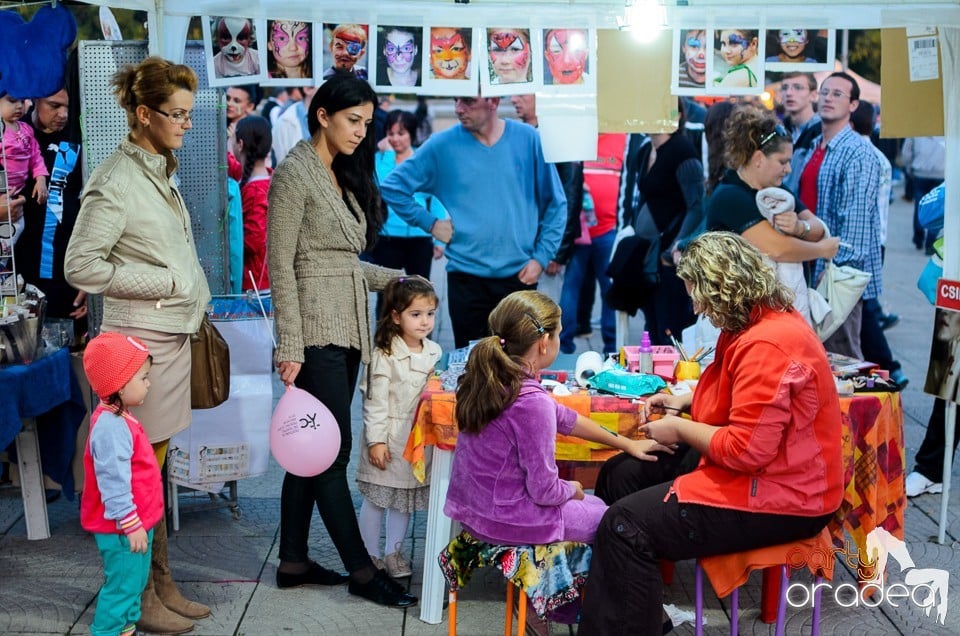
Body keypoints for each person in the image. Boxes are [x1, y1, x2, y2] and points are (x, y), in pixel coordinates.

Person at [578, 232, 844, 635]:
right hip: (766, 473)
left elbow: (746, 451)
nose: (697, 308)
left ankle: (632, 619)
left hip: (787, 495)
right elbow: (736, 405)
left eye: (697, 295)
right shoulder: (751, 321)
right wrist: (685, 406)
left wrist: (681, 427)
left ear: (722, 289)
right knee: (619, 473)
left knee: (624, 525)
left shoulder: (768, 342)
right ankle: (641, 613)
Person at [64, 57, 211, 635]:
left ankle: (161, 582)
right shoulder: (117, 178)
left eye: (189, 115)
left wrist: (189, 291)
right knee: (138, 472)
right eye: (176, 115)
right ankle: (140, 593)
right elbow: (81, 264)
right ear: (144, 114)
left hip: (168, 340)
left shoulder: (157, 166)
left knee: (155, 470)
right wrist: (169, 283)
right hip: (139, 345)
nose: (187, 124)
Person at [267, 73, 416, 608]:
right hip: (314, 334)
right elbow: (281, 265)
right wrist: (289, 344)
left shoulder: (339, 173)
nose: (362, 132)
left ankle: (292, 560)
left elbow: (344, 265)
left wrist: (398, 280)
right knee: (329, 452)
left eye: (367, 123)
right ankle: (360, 568)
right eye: (354, 121)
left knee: (310, 451)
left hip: (345, 326)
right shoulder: (295, 175)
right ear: (323, 114)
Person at [444, 290, 672, 546]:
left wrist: (628, 443)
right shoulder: (532, 402)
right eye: (559, 334)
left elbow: (567, 418)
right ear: (543, 342)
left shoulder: (491, 378)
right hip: (509, 520)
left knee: (597, 504)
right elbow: (544, 491)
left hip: (475, 511)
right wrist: (572, 489)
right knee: (617, 521)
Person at [381, 96, 566, 348]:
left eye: (467, 101)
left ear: (492, 101)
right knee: (472, 369)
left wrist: (541, 257)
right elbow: (393, 187)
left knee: (517, 366)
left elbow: (556, 203)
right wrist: (431, 223)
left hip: (519, 278)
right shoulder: (442, 145)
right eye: (456, 100)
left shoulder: (528, 139)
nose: (458, 108)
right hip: (466, 279)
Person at [707, 106, 839, 324]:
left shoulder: (778, 191)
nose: (788, 169)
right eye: (782, 161)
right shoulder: (730, 196)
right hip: (740, 316)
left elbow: (817, 227)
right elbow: (777, 249)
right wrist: (821, 250)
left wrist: (800, 228)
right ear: (758, 158)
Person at [356, 277, 441, 578]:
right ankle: (369, 554)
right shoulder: (384, 354)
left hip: (416, 441)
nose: (424, 321)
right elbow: (375, 401)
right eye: (415, 314)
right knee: (378, 499)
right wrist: (375, 441)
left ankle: (394, 552)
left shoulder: (434, 352)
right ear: (395, 315)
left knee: (403, 500)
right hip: (389, 440)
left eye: (429, 313)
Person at [797, 72, 882, 359]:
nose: (828, 99)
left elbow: (855, 229)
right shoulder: (814, 147)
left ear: (854, 105)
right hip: (809, 265)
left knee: (840, 358)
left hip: (836, 276)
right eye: (824, 92)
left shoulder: (858, 153)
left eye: (837, 94)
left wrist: (833, 279)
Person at [80, 333, 159, 636]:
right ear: (120, 384)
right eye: (143, 377)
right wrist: (130, 523)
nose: (148, 383)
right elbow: (113, 482)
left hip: (134, 523)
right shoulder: (111, 427)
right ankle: (108, 631)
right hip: (123, 527)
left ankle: (126, 628)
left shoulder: (120, 417)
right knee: (123, 586)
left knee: (134, 582)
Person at [617, 100, 704, 345]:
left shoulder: (682, 151)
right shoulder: (645, 150)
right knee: (651, 327)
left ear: (676, 115)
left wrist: (675, 247)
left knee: (670, 329)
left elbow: (697, 206)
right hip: (648, 256)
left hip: (668, 261)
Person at [14, 84, 87, 339]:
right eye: (54, 106)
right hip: (21, 272)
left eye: (67, 106)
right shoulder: (15, 135)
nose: (63, 114)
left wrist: (90, 279)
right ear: (35, 101)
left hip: (67, 273)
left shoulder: (81, 135)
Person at [849, 100, 908, 387]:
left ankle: (888, 367)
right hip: (878, 238)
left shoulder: (864, 155)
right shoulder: (876, 156)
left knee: (863, 305)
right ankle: (888, 367)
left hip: (866, 241)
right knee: (865, 305)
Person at [232, 115, 272, 291]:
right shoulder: (270, 179)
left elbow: (254, 240)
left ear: (240, 144)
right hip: (265, 279)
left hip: (255, 283)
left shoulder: (254, 191)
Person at [0, 93, 48, 211]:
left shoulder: (27, 129)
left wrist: (41, 179)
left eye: (22, 102)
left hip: (19, 191)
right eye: (12, 101)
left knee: (18, 224)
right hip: (2, 191)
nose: (19, 106)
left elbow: (36, 157)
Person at [900, 136, 945, 254]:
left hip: (920, 173)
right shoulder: (946, 127)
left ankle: (918, 237)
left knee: (920, 205)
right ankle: (931, 241)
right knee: (936, 208)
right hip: (941, 173)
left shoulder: (917, 129)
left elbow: (906, 153)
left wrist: (909, 168)